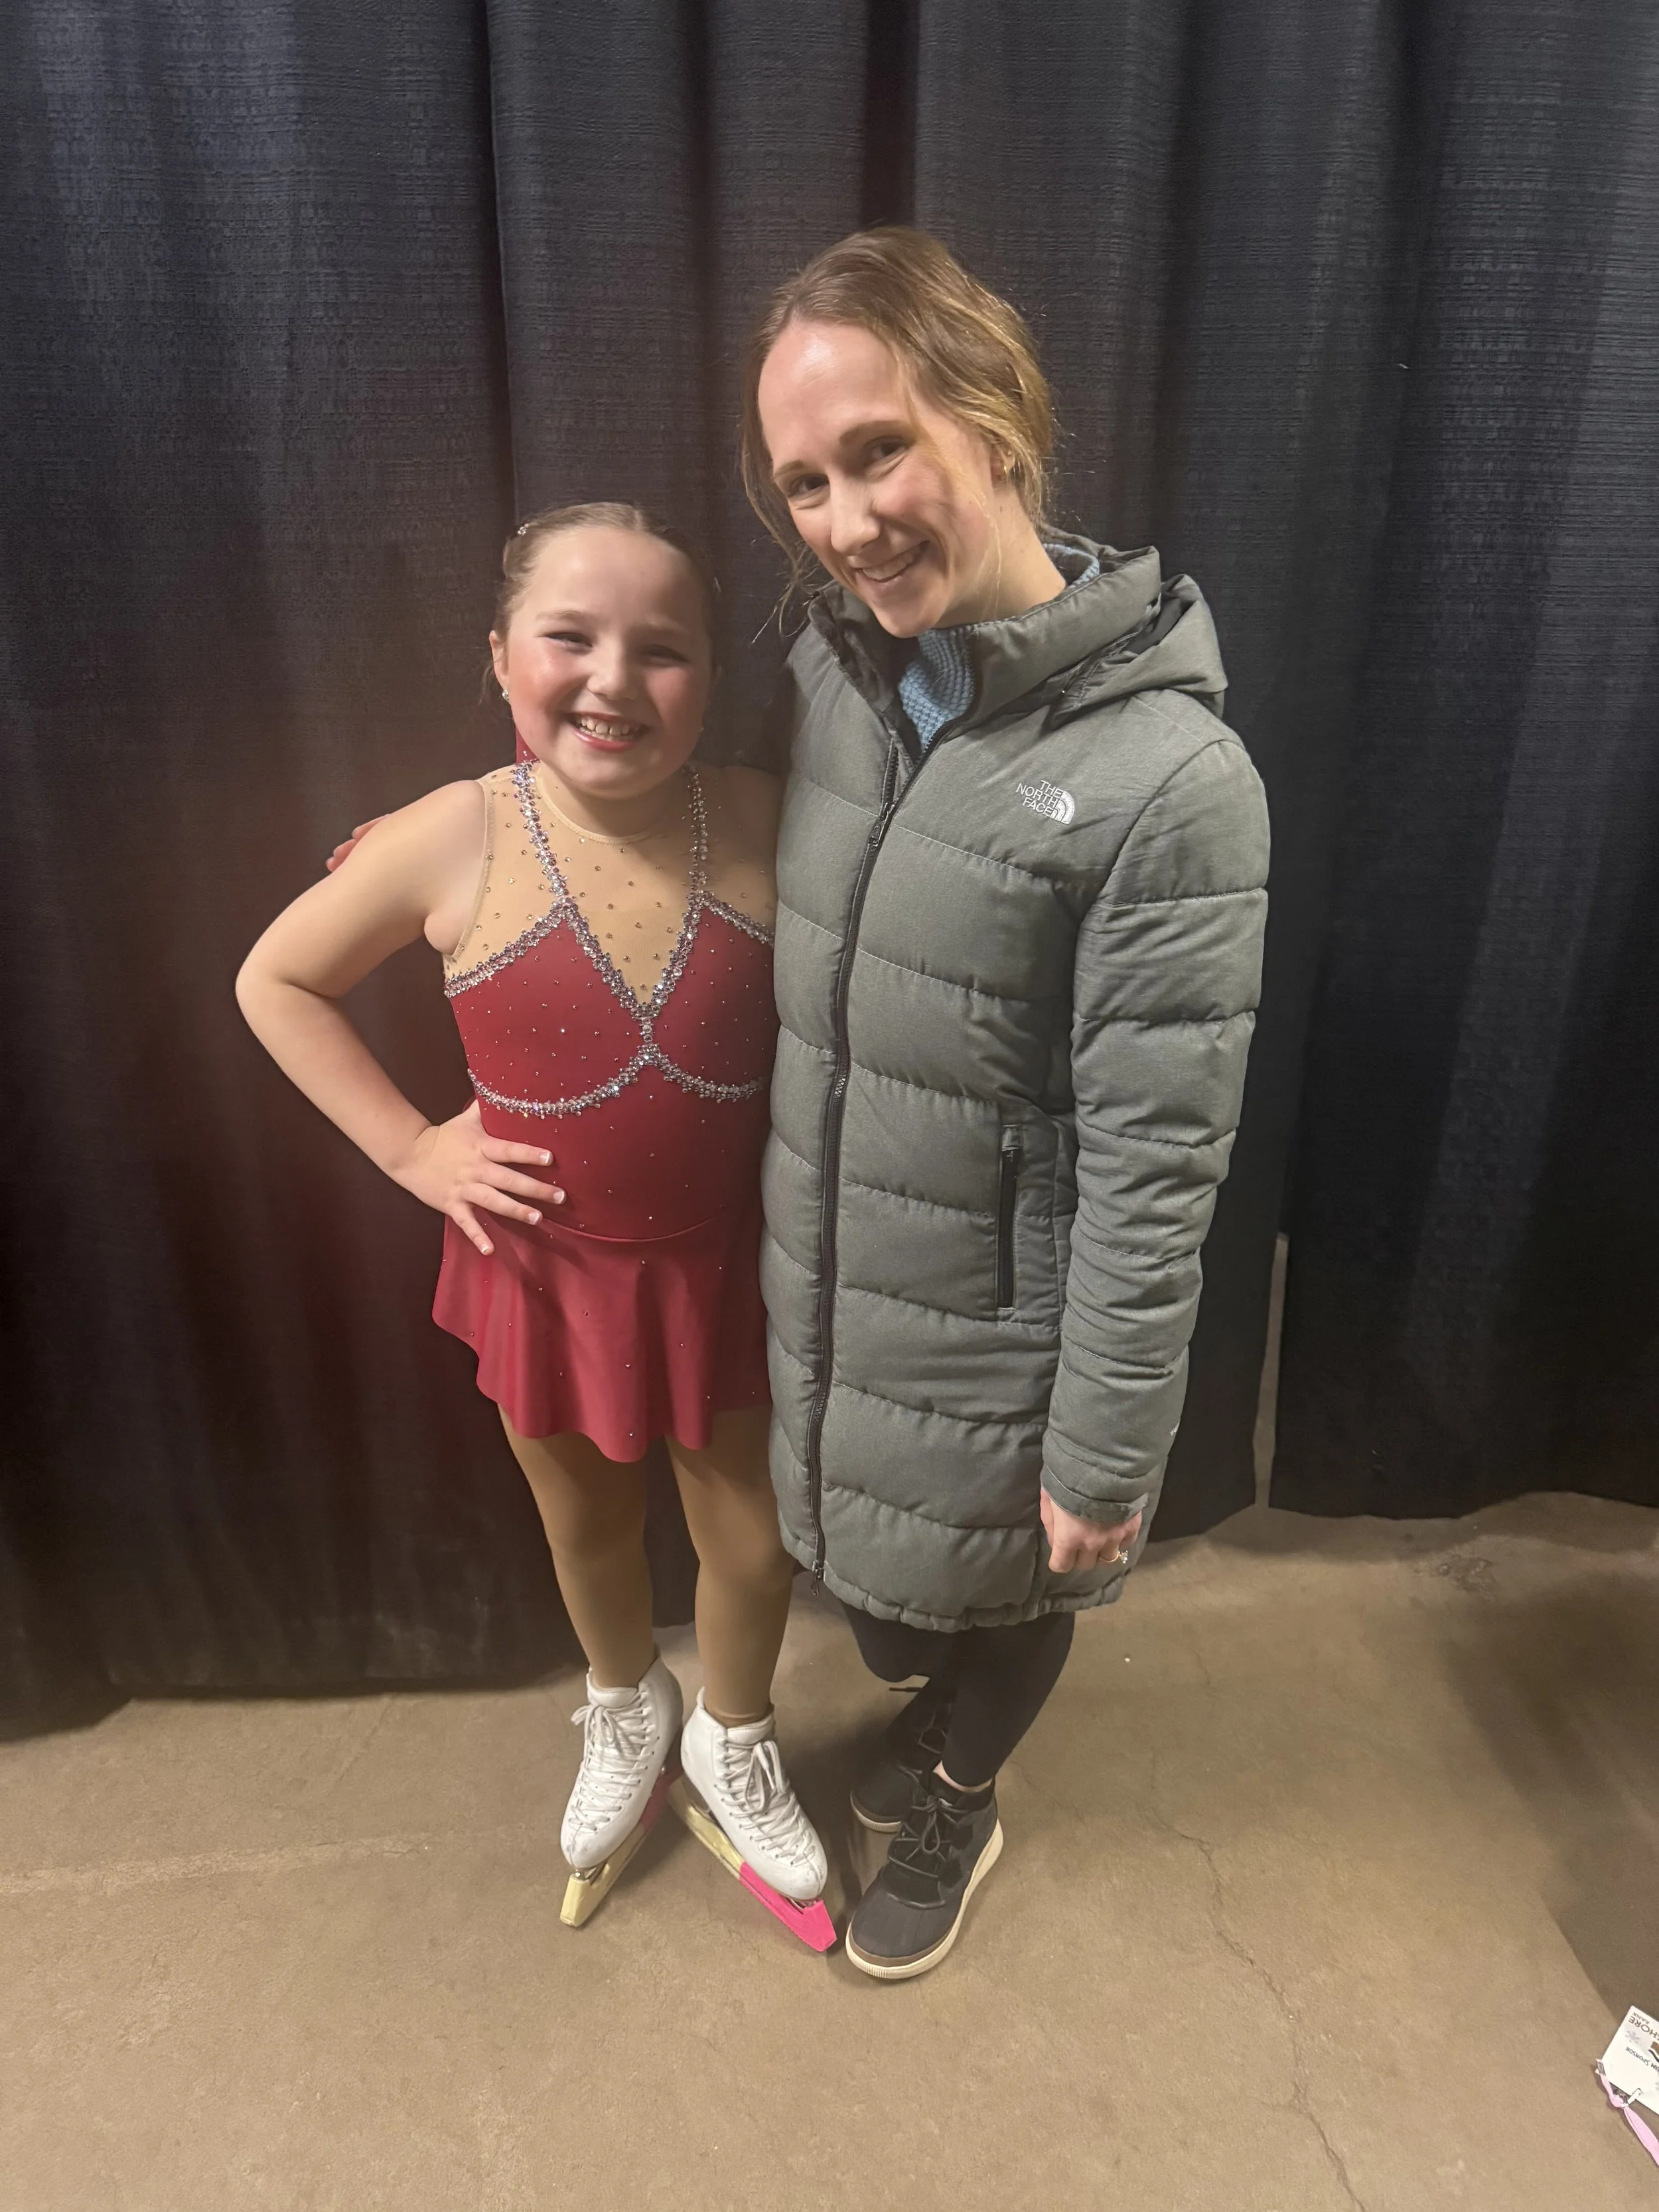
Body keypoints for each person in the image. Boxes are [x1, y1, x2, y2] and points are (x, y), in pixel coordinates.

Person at [741, 228, 1270, 1979]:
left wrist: (1103, 1452)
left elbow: (1157, 1159)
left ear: (998, 417)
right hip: (836, 1292)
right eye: (802, 479)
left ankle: (963, 1795)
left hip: (1008, 1332)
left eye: (876, 449)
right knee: (891, 1615)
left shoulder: (1171, 782)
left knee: (1016, 1595)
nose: (839, 517)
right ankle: (933, 1708)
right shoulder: (837, 680)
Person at [236, 503, 828, 1933]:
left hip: (716, 1270)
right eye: (569, 638)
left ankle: (731, 1732)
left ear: (709, 678)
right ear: (501, 659)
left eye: (663, 650)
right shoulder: (453, 833)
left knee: (750, 1544)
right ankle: (626, 1701)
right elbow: (275, 980)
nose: (612, 679)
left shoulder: (763, 811)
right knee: (586, 1525)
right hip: (541, 1269)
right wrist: (411, 1149)